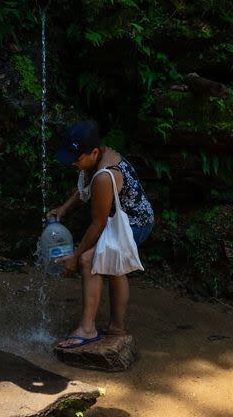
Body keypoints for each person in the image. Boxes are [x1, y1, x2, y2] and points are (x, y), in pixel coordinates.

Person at [47, 120, 154, 348]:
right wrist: (64, 208)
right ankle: (116, 328)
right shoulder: (98, 157)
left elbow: (97, 224)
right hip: (119, 219)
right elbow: (85, 185)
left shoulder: (105, 176)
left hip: (135, 223)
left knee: (90, 260)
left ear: (94, 152)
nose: (73, 164)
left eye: (76, 159)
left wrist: (75, 257)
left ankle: (88, 329)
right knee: (109, 262)